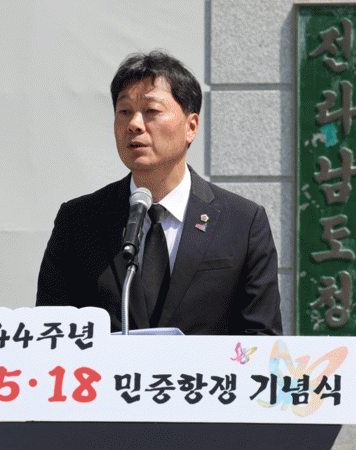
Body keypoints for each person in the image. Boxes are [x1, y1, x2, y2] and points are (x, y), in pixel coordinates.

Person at [36, 50, 282, 335]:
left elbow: (262, 339)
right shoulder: (79, 221)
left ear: (191, 127)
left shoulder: (242, 222)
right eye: (124, 111)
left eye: (151, 111)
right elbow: (50, 334)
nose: (134, 124)